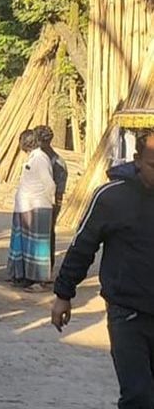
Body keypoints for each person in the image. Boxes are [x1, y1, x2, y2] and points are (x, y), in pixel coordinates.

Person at [52, 130, 154, 409]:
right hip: (127, 312)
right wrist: (64, 294)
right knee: (139, 397)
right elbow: (83, 246)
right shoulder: (111, 197)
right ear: (137, 161)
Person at [8, 130, 56, 292]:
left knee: (38, 245)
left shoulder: (40, 159)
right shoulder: (32, 158)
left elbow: (49, 184)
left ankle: (40, 280)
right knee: (27, 244)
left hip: (38, 206)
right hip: (26, 207)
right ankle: (25, 276)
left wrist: (49, 203)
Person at [35, 125, 68, 270]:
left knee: (47, 234)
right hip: (38, 200)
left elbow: (59, 189)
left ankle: (47, 267)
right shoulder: (38, 157)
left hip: (50, 201)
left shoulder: (58, 162)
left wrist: (55, 205)